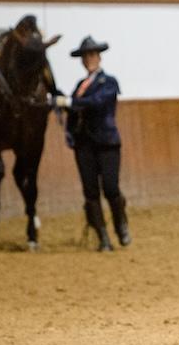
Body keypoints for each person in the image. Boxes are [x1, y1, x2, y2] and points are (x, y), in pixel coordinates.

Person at [54, 36, 129, 252]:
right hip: (84, 144)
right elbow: (75, 107)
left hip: (106, 143)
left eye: (92, 55)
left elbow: (96, 103)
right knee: (90, 192)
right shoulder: (80, 87)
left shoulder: (109, 83)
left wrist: (70, 102)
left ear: (99, 57)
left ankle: (121, 223)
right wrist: (61, 101)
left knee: (111, 187)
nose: (89, 59)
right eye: (86, 56)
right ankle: (103, 237)